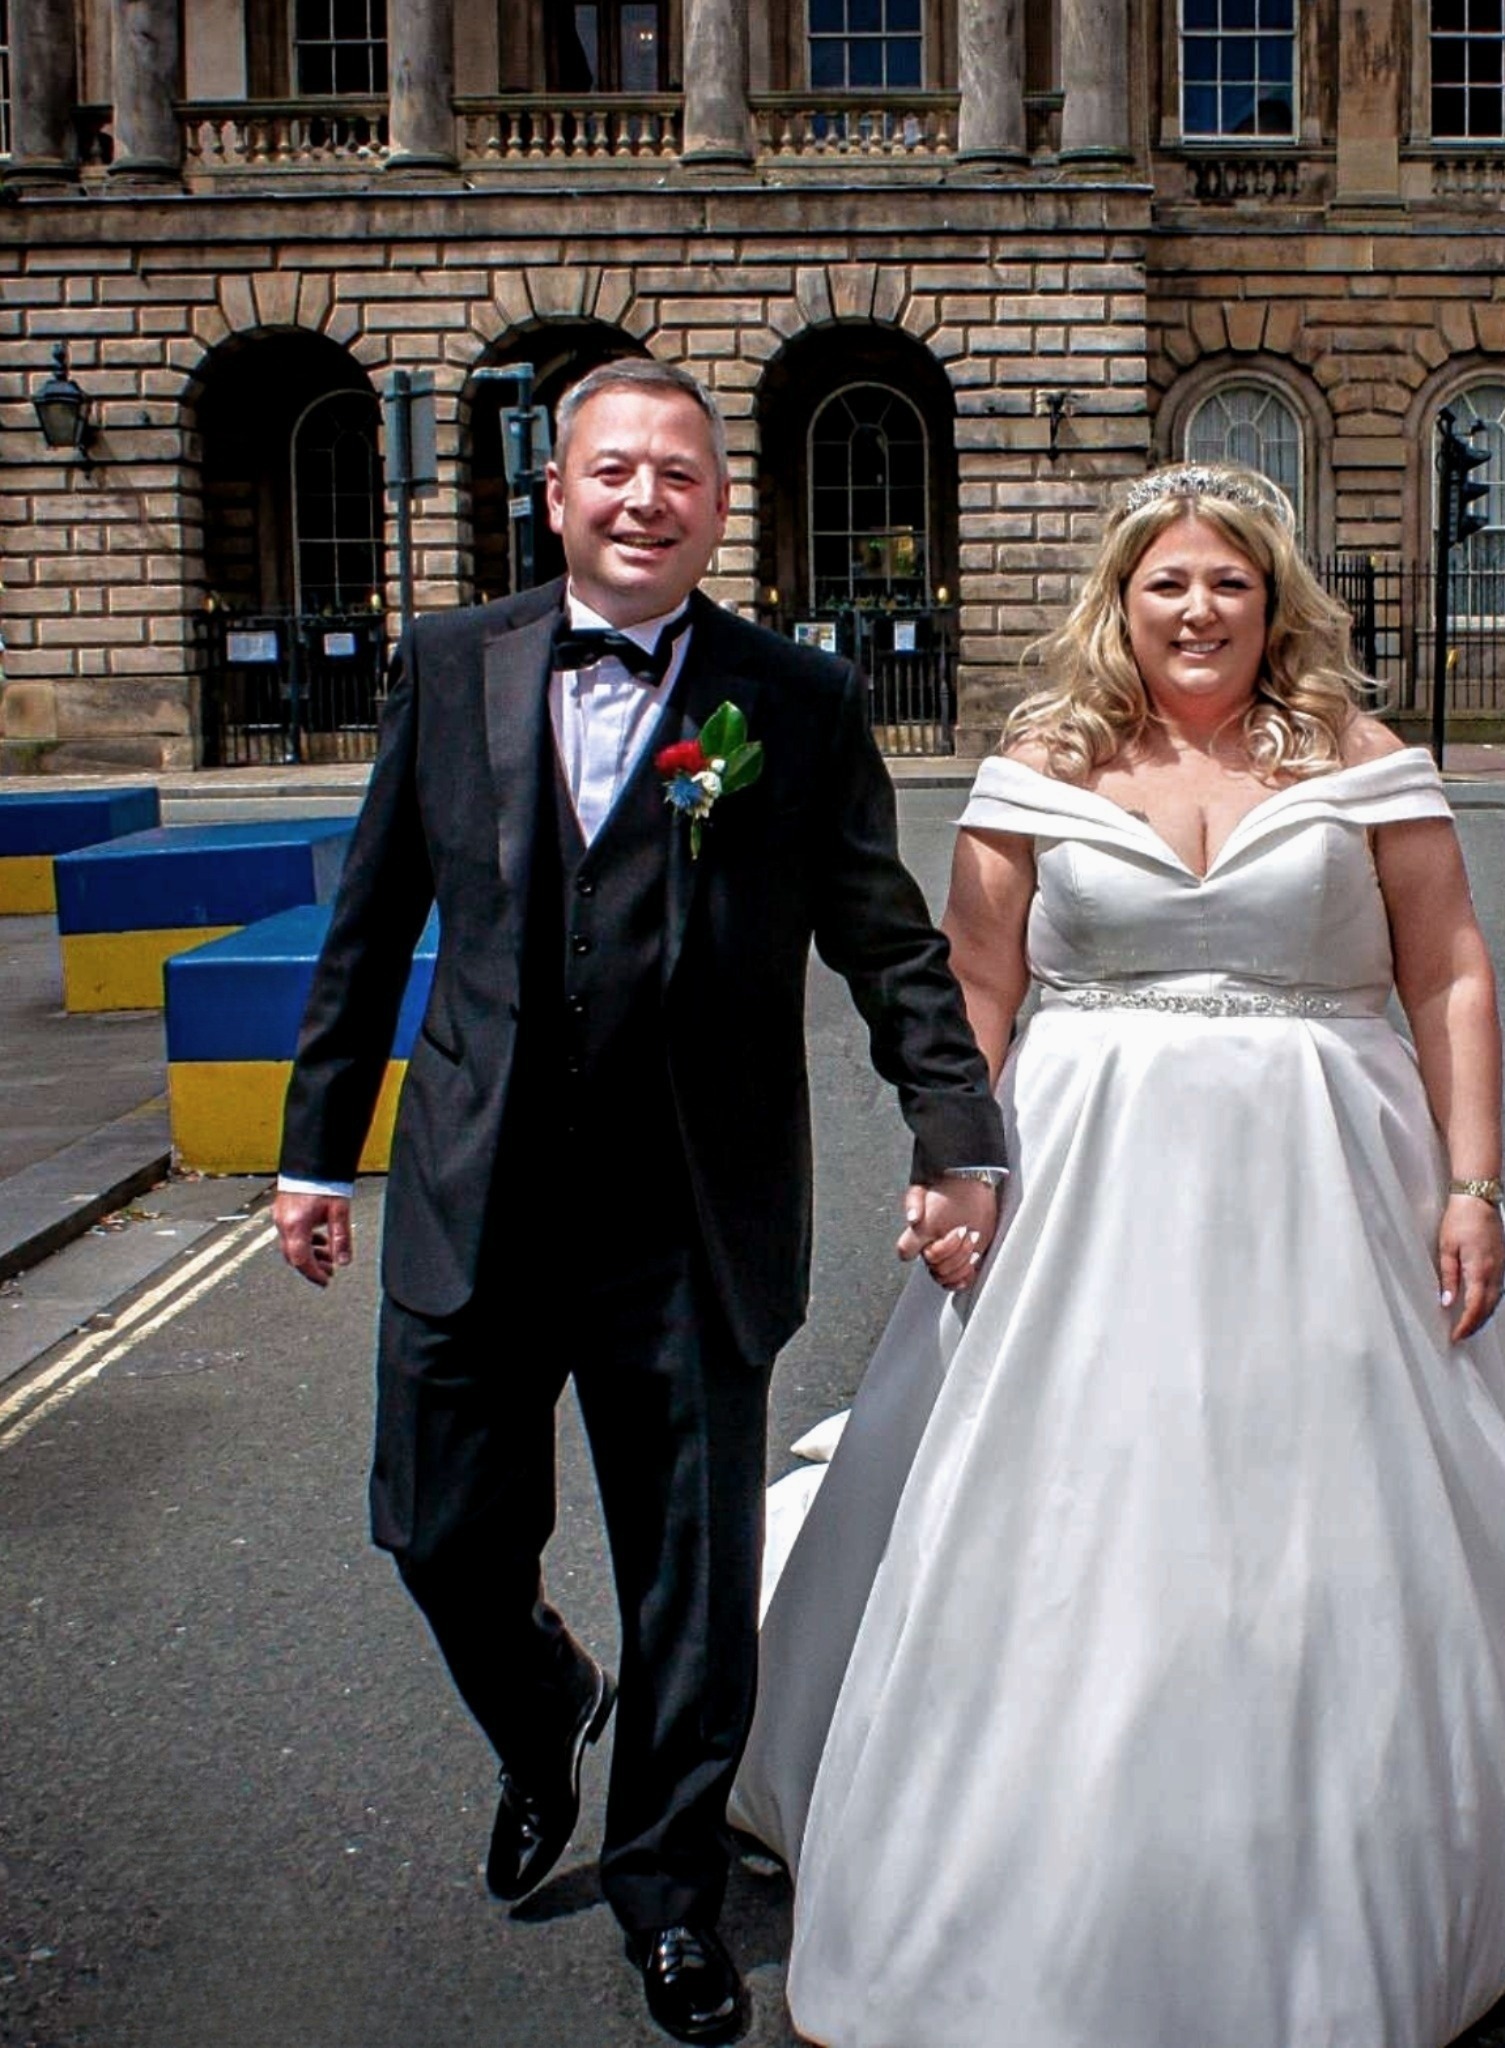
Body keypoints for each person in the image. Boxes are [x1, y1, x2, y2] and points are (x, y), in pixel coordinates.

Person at [730, 464, 1505, 2048]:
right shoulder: (1038, 766)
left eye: (1229, 584)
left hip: (1327, 1175)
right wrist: (954, 1158)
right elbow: (976, 983)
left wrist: (1475, 1186)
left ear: (1274, 602)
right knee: (1075, 1500)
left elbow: (1449, 970)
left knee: (1326, 1489)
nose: (1198, 610)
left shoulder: (1363, 760)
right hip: (1082, 1182)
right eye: (1167, 584)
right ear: (1121, 603)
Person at [270, 358, 1006, 2047]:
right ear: (555, 492)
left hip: (692, 1213)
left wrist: (952, 1130)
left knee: (690, 1574)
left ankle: (670, 1893)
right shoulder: (452, 666)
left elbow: (887, 944)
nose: (644, 498)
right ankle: (545, 1713)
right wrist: (317, 1150)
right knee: (438, 1532)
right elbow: (373, 916)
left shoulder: (796, 702)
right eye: (614, 470)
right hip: (476, 1189)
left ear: (717, 503)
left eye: (679, 472)